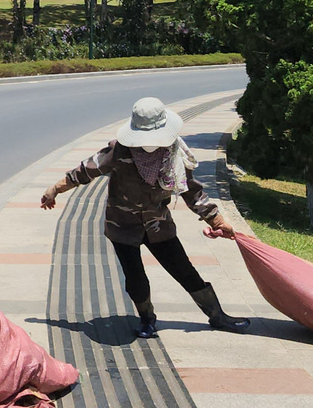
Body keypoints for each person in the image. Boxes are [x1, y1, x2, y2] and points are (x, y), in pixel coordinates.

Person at [41, 97, 253, 338]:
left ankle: (217, 316)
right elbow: (83, 172)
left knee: (185, 271)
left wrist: (216, 220)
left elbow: (191, 190)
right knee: (135, 279)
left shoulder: (174, 153)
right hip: (122, 227)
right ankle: (147, 319)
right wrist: (55, 189)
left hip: (158, 225)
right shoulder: (117, 151)